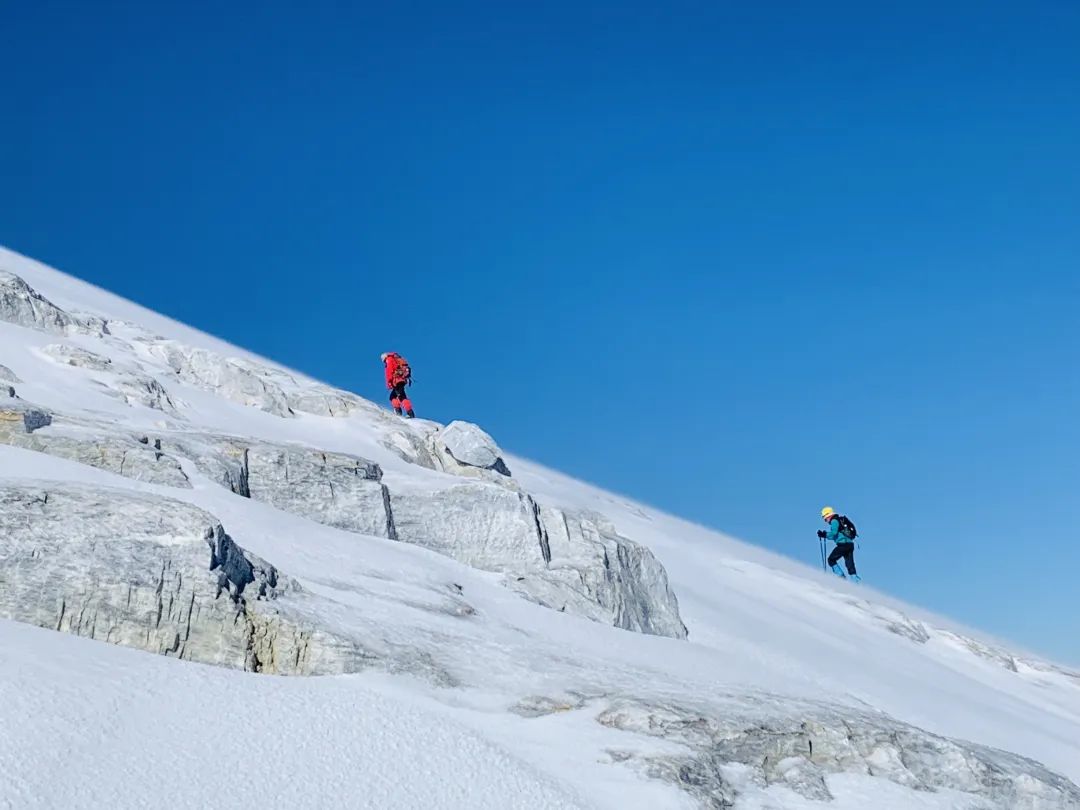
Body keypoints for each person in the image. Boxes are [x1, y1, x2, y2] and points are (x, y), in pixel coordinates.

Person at [818, 506, 860, 582]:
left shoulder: (834, 521)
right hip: (850, 545)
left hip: (843, 545)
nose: (825, 520)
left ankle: (841, 578)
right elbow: (836, 535)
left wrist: (824, 534)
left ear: (828, 515)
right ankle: (855, 582)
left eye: (824, 517)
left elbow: (834, 533)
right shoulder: (840, 520)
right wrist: (825, 535)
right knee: (850, 565)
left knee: (831, 560)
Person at [381, 352, 415, 418]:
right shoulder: (395, 359)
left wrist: (389, 382)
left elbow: (389, 371)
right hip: (401, 380)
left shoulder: (389, 360)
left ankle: (407, 412)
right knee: (395, 396)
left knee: (401, 396)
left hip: (397, 381)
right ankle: (401, 411)